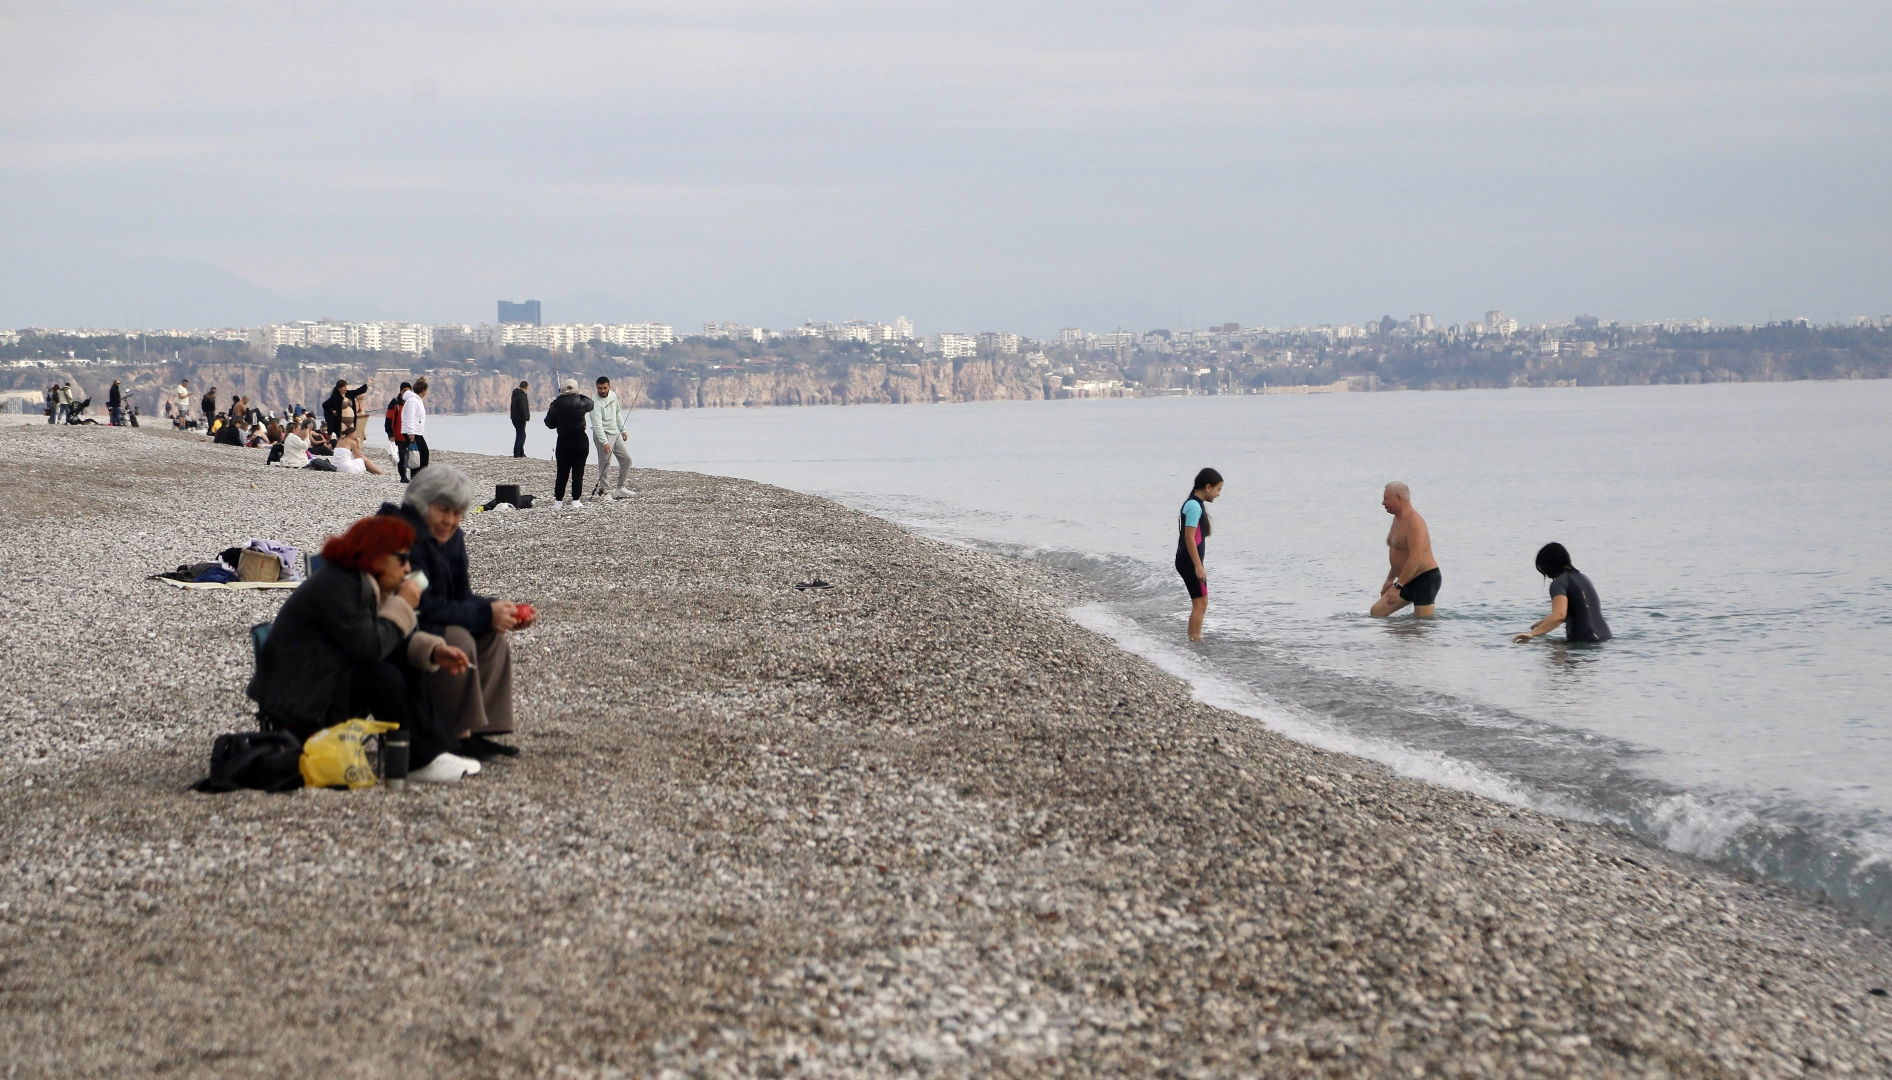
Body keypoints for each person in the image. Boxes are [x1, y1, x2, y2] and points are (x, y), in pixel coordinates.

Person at [246, 516, 482, 783]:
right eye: (402, 558)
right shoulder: (339, 585)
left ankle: (436, 752)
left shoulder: (356, 581)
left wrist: (431, 651)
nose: (408, 568)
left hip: (319, 682)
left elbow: (375, 640)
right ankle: (419, 760)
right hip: (300, 701)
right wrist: (402, 605)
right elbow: (371, 648)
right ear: (377, 557)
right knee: (380, 676)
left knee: (408, 664)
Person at [379, 466, 525, 761]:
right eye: (443, 510)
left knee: (491, 635)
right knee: (458, 638)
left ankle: (481, 731)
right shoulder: (400, 536)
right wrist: (485, 612)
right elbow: (421, 604)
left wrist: (500, 611)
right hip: (394, 628)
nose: (451, 520)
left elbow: (460, 597)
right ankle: (456, 736)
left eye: (458, 513)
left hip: (426, 616)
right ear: (421, 505)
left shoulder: (451, 537)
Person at [1514, 543, 1612, 644]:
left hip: (1584, 640)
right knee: (1549, 643)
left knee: (1537, 645)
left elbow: (1559, 615)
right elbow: (1579, 611)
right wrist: (1541, 624)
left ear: (1547, 565)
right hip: (1605, 637)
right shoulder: (1583, 578)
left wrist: (1532, 634)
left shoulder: (1559, 583)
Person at [1371, 481, 1442, 617]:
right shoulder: (1397, 519)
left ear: (1399, 497)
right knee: (1377, 612)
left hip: (1425, 580)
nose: (1383, 503)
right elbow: (1400, 554)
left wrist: (1398, 587)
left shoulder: (1414, 522)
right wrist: (1390, 580)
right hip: (1406, 579)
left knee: (1422, 624)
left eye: (1386, 498)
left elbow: (1415, 558)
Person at [1175, 467, 1224, 642]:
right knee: (1200, 603)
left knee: (1200, 602)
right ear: (1208, 487)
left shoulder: (1194, 504)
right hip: (1189, 561)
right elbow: (1189, 537)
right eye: (1218, 489)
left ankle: (1194, 640)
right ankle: (1194, 641)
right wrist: (1198, 566)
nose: (1219, 494)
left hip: (1187, 560)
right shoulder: (1194, 506)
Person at [544, 378, 594, 509]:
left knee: (562, 471)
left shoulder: (556, 404)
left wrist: (559, 399)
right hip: (580, 439)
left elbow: (549, 424)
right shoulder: (582, 401)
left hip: (564, 440)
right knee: (578, 470)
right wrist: (578, 394)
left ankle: (558, 501)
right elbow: (591, 404)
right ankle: (576, 500)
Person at [588, 376, 633, 499]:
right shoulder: (595, 403)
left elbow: (617, 413)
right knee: (605, 464)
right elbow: (597, 425)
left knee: (626, 459)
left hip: (614, 433)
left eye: (605, 388)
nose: (602, 391)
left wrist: (623, 430)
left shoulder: (613, 395)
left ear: (609, 386)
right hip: (602, 434)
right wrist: (604, 442)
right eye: (600, 388)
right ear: (597, 388)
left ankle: (620, 488)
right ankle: (606, 492)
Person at [400, 378, 430, 482]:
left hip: (417, 431)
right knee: (421, 453)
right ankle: (418, 476)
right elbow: (410, 417)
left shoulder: (416, 400)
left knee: (419, 453)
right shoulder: (413, 401)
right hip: (413, 432)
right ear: (424, 390)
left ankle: (418, 476)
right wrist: (411, 433)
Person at [384, 381, 412, 478]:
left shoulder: (412, 402)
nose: (406, 393)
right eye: (404, 390)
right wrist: (391, 434)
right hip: (399, 435)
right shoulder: (395, 403)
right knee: (402, 458)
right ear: (400, 391)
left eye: (408, 391)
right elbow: (389, 419)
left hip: (411, 434)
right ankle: (403, 477)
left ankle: (414, 476)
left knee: (413, 456)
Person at [510, 380, 531, 457]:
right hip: (520, 418)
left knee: (520, 434)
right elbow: (523, 408)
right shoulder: (522, 396)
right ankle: (518, 453)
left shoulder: (516, 395)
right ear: (526, 387)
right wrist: (526, 417)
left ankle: (520, 452)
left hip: (514, 417)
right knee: (521, 435)